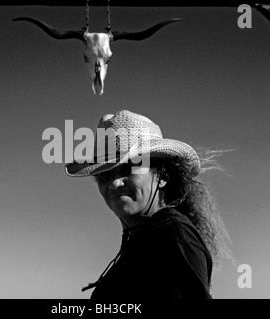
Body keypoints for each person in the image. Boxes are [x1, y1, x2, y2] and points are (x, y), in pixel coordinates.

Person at [65, 110, 232, 299]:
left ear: (163, 176)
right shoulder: (147, 237)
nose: (114, 183)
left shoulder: (171, 235)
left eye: (130, 168)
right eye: (104, 174)